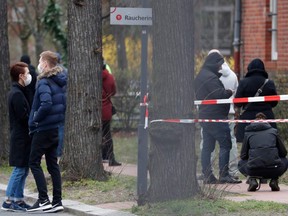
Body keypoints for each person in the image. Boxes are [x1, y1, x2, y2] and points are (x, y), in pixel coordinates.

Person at [27, 51, 67, 212]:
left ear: (45, 63)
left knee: (33, 162)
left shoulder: (43, 82)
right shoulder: (59, 81)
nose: (38, 63)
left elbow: (46, 103)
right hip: (55, 128)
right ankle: (57, 201)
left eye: (40, 60)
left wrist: (35, 118)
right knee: (52, 165)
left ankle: (43, 199)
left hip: (43, 128)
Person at [195, 52, 241, 184]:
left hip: (205, 116)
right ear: (214, 63)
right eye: (219, 65)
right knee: (225, 144)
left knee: (208, 147)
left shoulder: (201, 76)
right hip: (216, 117)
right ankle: (224, 174)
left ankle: (208, 175)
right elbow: (219, 94)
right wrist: (229, 92)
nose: (221, 67)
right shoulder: (211, 78)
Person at [1, 62, 32, 212]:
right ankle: (8, 200)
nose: (29, 75)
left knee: (24, 169)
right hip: (20, 137)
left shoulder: (19, 91)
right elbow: (23, 117)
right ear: (21, 76)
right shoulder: (17, 94)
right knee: (19, 169)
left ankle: (18, 199)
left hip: (23, 136)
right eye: (27, 73)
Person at [238, 112, 288, 191]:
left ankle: (252, 179)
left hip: (254, 170)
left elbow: (243, 155)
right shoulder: (274, 131)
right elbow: (283, 153)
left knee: (240, 163)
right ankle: (274, 179)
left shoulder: (248, 133)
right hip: (274, 169)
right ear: (267, 122)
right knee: (285, 160)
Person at [234, 58, 278, 143]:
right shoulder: (269, 83)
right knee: (267, 143)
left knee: (248, 146)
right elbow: (274, 102)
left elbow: (237, 102)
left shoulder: (244, 82)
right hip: (267, 119)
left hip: (248, 120)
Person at [102, 65, 121, 166]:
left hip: (93, 111)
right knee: (107, 135)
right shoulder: (109, 77)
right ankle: (111, 158)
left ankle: (101, 157)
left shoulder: (92, 77)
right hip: (106, 110)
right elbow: (113, 92)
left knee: (96, 135)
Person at [55, 52, 68, 163]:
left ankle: (56, 150)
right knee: (61, 127)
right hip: (64, 101)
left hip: (54, 102)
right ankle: (60, 150)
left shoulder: (51, 71)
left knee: (57, 127)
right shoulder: (65, 71)